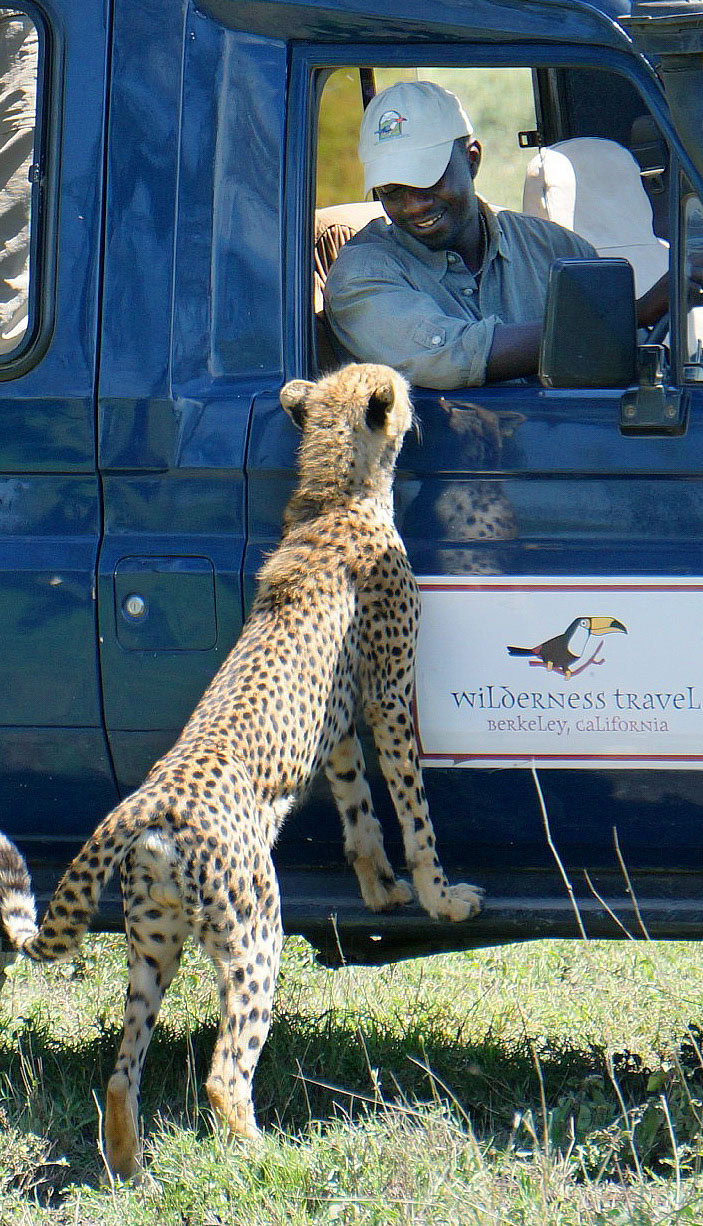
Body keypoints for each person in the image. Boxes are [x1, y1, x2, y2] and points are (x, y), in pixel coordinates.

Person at [324, 80, 669, 388]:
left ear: (472, 160)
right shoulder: (362, 275)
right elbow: (448, 356)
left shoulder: (554, 247)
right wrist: (632, 313)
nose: (413, 205)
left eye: (427, 179)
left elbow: (631, 368)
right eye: (392, 190)